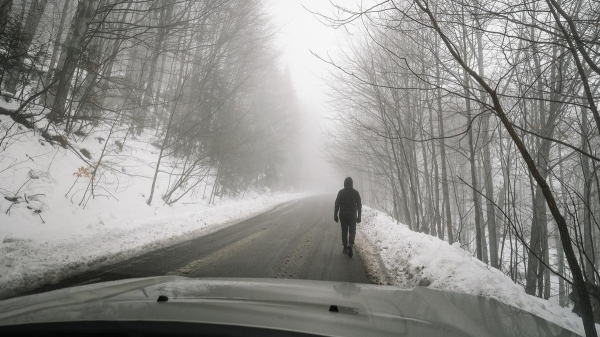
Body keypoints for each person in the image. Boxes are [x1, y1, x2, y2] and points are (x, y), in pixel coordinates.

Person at [334, 177, 362, 258]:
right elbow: (359, 205)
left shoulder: (341, 192)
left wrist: (335, 215)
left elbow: (337, 204)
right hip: (353, 215)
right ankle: (351, 244)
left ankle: (345, 248)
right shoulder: (356, 193)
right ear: (352, 183)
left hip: (343, 214)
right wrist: (359, 216)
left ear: (344, 183)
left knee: (344, 231)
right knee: (352, 231)